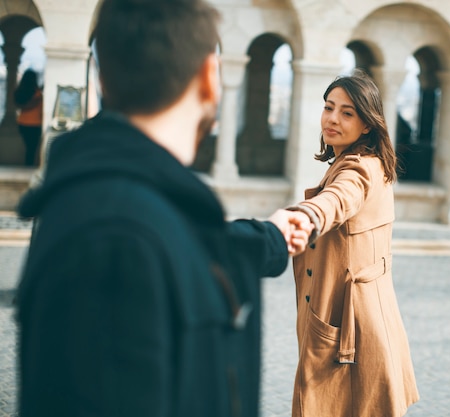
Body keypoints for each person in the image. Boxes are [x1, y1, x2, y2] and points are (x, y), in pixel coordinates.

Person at [16, 1, 312, 417]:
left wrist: (273, 236)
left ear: (102, 77)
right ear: (211, 76)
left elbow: (186, 243)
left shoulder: (122, 200)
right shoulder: (116, 236)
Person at [288, 70, 420, 416]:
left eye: (347, 113)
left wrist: (303, 218)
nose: (332, 119)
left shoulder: (359, 169)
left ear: (367, 124)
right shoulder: (366, 163)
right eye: (329, 107)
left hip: (350, 334)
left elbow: (337, 199)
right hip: (363, 326)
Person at [14, 68, 43, 166]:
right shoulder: (37, 93)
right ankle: (29, 165)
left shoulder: (21, 91)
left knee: (29, 147)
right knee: (32, 148)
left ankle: (28, 164)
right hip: (35, 123)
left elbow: (19, 105)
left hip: (23, 123)